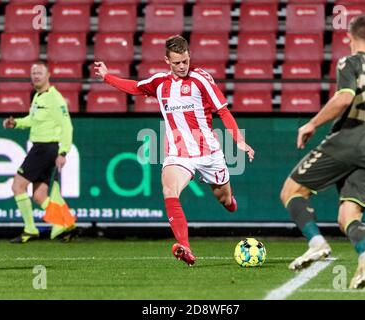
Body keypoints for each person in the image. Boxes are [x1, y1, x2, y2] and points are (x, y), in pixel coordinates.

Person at [94, 35, 254, 266]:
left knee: (225, 201)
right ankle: (185, 247)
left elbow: (223, 111)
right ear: (167, 60)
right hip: (178, 153)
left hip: (209, 154)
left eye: (185, 61)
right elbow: (135, 87)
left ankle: (230, 201)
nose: (182, 67)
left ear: (189, 57)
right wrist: (107, 77)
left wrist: (239, 141)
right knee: (169, 190)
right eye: (177, 63)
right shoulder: (160, 83)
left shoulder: (202, 79)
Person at [279, 16, 365, 289]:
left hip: (347, 141)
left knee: (291, 191)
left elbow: (345, 97)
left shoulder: (349, 62)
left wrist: (312, 124)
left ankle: (316, 243)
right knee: (348, 217)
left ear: (350, 38)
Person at [3, 62, 76, 243]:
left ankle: (30, 229)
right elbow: (33, 120)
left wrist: (64, 152)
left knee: (17, 186)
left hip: (45, 149)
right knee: (39, 196)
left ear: (48, 75)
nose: (36, 76)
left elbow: (67, 126)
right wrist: (17, 123)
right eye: (33, 73)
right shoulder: (38, 96)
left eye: (39, 73)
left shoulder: (55, 98)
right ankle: (66, 224)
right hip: (42, 148)